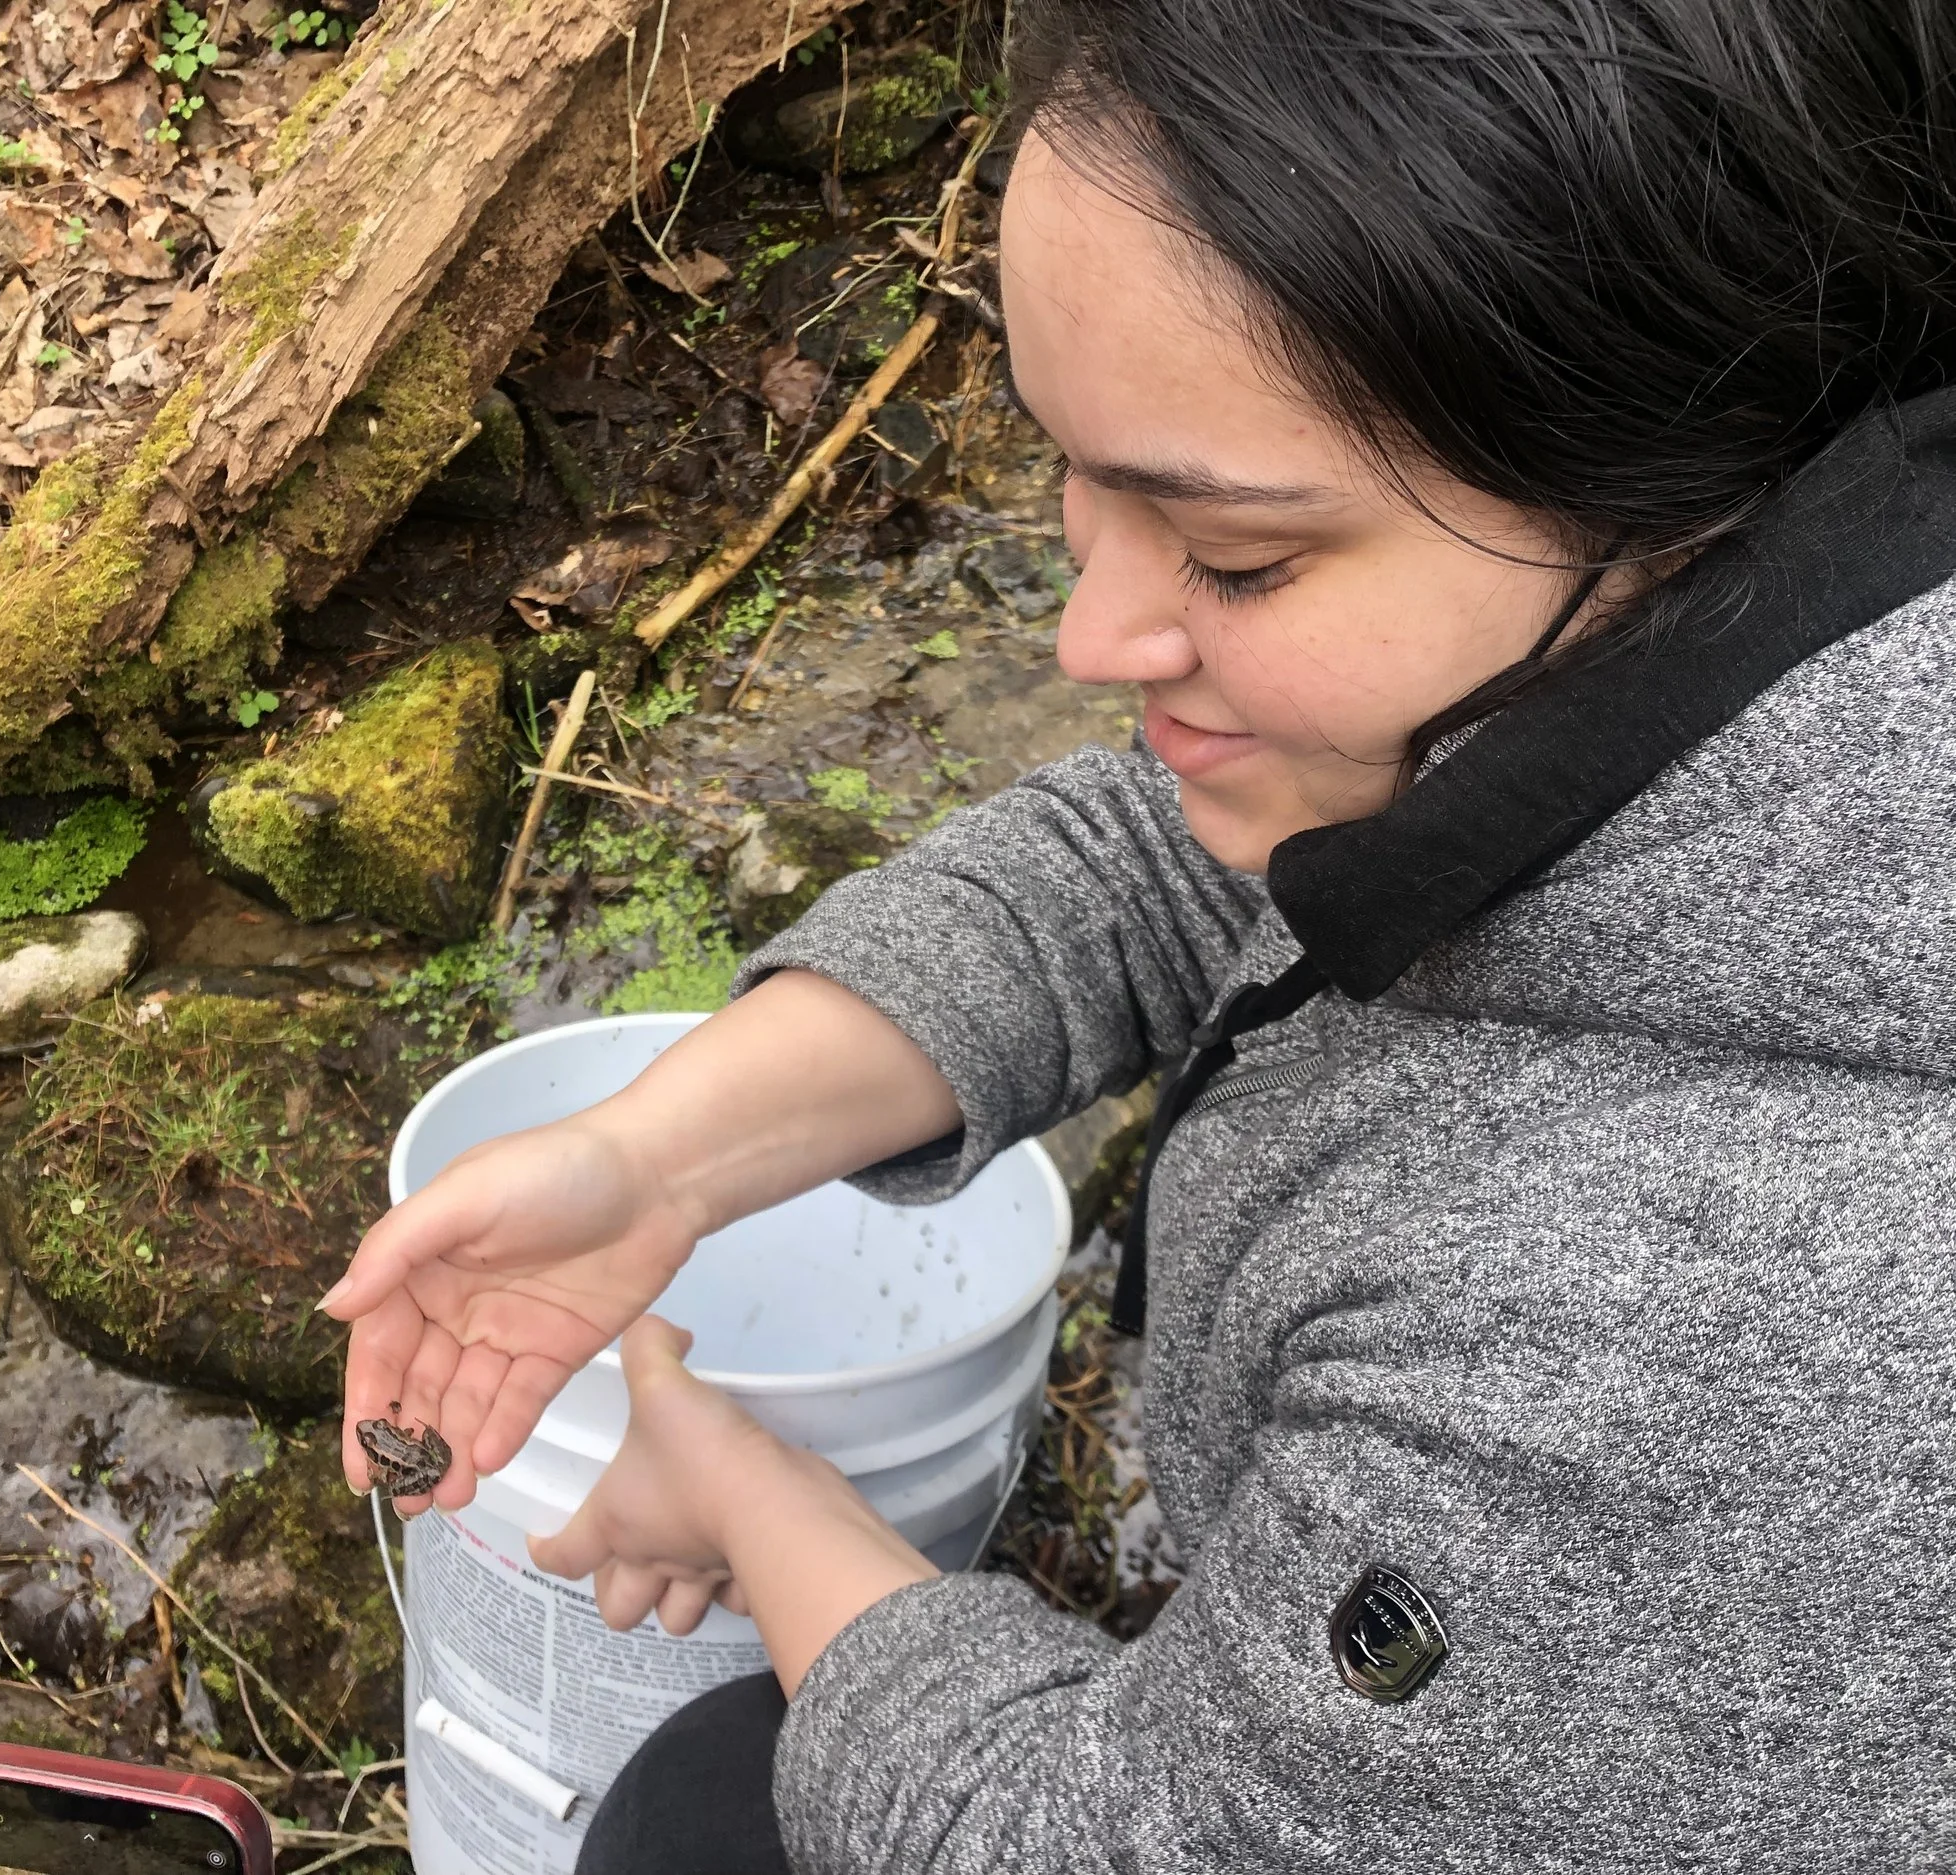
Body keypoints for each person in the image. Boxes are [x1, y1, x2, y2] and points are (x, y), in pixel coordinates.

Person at [323, 0, 1956, 1867]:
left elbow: (1101, 1845)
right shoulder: (1712, 668)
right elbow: (1190, 861)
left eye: (1235, 558)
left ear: (1688, 489)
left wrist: (760, 1501)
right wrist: (656, 1161)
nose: (1090, 639)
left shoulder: (1691, 1347)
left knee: (704, 1809)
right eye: (1072, 479)